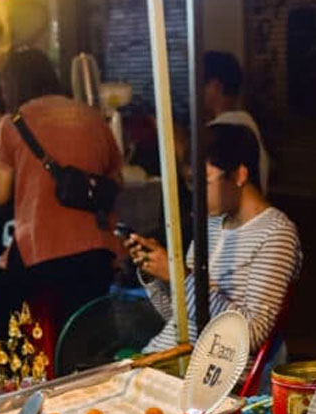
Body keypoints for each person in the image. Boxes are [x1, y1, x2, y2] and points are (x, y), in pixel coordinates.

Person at [0, 47, 123, 340]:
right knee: (80, 340)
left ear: (12, 85)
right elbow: (116, 179)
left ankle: (16, 382)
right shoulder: (92, 117)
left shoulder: (14, 123)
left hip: (39, 252)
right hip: (97, 252)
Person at [127, 123, 301, 360]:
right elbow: (178, 319)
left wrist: (179, 276)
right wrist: (156, 276)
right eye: (190, 181)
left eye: (204, 181)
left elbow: (251, 335)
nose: (195, 192)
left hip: (209, 372)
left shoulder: (276, 234)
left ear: (239, 175)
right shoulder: (210, 223)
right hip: (166, 356)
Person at [204, 51, 270, 193]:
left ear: (215, 87)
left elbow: (191, 170)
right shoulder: (244, 122)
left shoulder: (228, 128)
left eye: (201, 85)